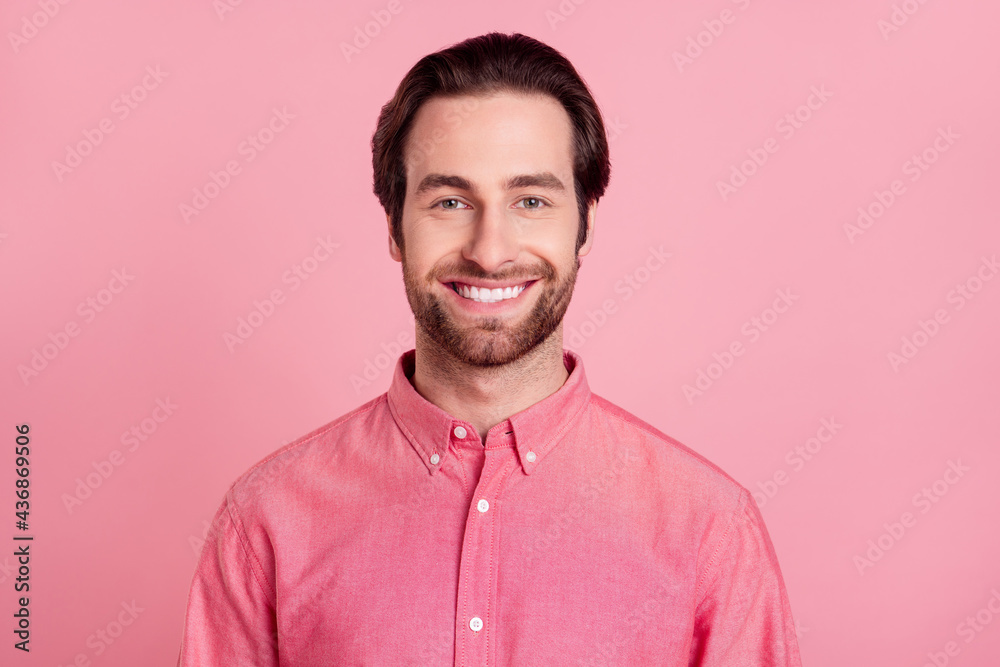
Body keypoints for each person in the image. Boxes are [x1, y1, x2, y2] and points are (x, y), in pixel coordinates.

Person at [178, 31, 803, 666]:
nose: (490, 250)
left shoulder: (708, 530)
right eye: (450, 201)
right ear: (394, 226)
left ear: (584, 225)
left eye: (530, 201)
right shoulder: (267, 521)